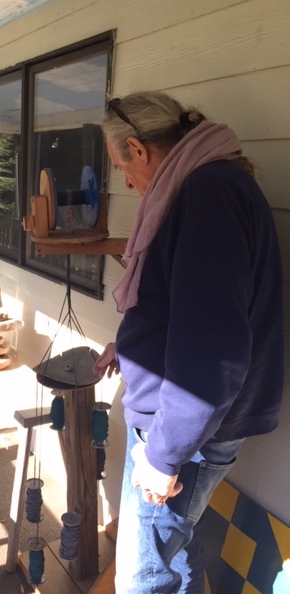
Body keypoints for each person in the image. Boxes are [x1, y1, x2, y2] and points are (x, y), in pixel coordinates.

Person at [92, 91, 284, 594]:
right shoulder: (203, 185)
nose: (128, 183)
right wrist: (131, 344)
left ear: (138, 149)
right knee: (173, 560)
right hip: (182, 427)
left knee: (143, 578)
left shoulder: (208, 193)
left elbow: (212, 347)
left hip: (182, 434)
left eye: (121, 167)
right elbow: (184, 304)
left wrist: (164, 455)